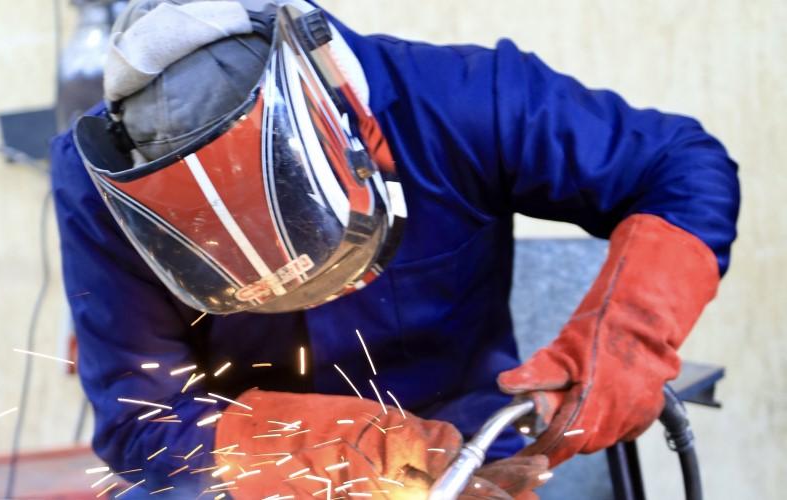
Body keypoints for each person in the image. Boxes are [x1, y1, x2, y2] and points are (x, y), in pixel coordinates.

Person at [50, 0, 740, 498]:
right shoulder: (100, 184)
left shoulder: (460, 102)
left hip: (472, 466)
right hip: (248, 475)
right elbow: (144, 421)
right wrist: (349, 456)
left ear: (343, 126)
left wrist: (628, 333)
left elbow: (679, 165)